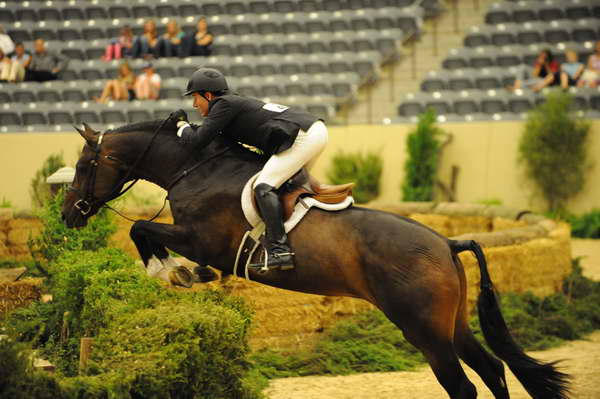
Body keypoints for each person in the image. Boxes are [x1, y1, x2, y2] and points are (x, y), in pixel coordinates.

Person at [170, 68, 327, 271]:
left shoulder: (222, 104)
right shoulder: (230, 105)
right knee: (286, 189)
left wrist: (181, 125)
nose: (194, 104)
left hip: (303, 138)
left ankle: (280, 251)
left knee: (264, 187)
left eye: (195, 98)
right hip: (311, 131)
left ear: (208, 95)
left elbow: (197, 141)